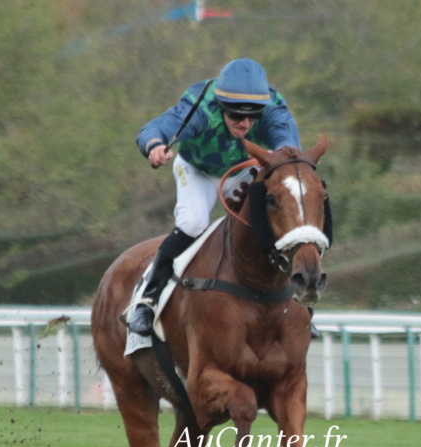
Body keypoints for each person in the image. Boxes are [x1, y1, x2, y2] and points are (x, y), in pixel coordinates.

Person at [127, 58, 301, 336]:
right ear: (221, 106)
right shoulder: (201, 107)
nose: (245, 124)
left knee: (278, 218)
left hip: (244, 169)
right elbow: (155, 129)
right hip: (198, 170)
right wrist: (155, 145)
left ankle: (295, 301)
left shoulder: (272, 106)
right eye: (236, 116)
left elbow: (288, 144)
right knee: (193, 223)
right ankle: (147, 300)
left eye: (252, 116)